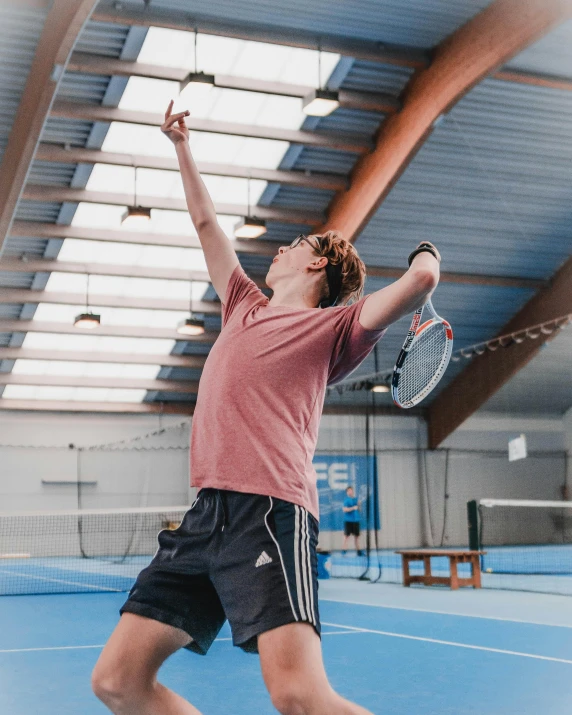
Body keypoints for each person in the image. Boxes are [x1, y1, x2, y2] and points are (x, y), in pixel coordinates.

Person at [91, 101, 441, 715]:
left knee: (301, 697)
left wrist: (425, 255)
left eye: (295, 244)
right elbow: (206, 227)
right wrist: (181, 148)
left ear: (319, 264)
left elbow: (418, 286)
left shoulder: (338, 328)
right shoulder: (243, 305)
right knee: (118, 681)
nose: (278, 248)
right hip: (204, 516)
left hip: (269, 512)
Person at [342, 486, 363, 556]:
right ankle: (344, 551)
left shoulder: (356, 499)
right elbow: (344, 510)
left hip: (356, 521)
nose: (350, 492)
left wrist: (359, 505)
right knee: (346, 537)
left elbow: (359, 510)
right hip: (348, 521)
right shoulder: (346, 500)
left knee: (357, 537)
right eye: (348, 491)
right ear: (347, 492)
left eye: (351, 490)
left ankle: (359, 551)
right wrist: (353, 508)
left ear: (353, 491)